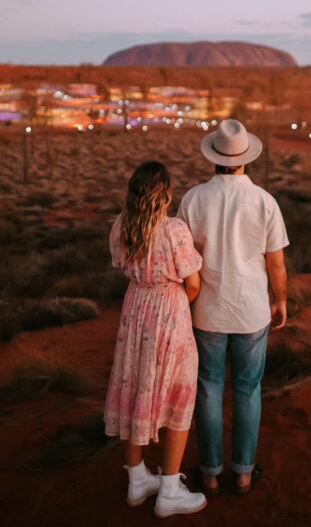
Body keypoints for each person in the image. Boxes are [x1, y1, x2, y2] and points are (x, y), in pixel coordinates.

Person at [178, 118, 289, 495]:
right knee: (247, 389)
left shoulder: (192, 199)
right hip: (251, 308)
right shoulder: (264, 201)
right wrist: (281, 299)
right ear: (246, 159)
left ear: (214, 157)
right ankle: (242, 472)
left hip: (206, 310)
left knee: (208, 388)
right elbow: (275, 262)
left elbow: (183, 259)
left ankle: (209, 473)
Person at [103, 161, 208, 518]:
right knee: (179, 394)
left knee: (133, 387)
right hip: (168, 312)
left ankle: (137, 481)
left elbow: (122, 267)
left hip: (135, 311)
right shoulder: (174, 230)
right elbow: (193, 283)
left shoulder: (120, 228)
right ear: (164, 194)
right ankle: (168, 491)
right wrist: (176, 305)